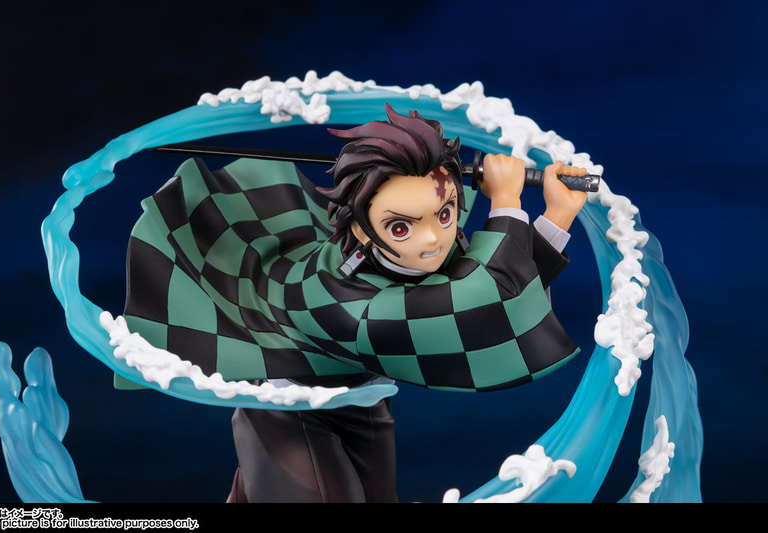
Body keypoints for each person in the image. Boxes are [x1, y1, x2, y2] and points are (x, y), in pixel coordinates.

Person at [122, 104, 587, 502]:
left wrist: (557, 216)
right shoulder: (342, 299)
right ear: (361, 228)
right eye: (401, 227)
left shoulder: (411, 251)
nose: (432, 240)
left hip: (362, 398)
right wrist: (505, 202)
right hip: (289, 406)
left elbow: (493, 296)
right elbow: (476, 303)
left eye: (445, 214)